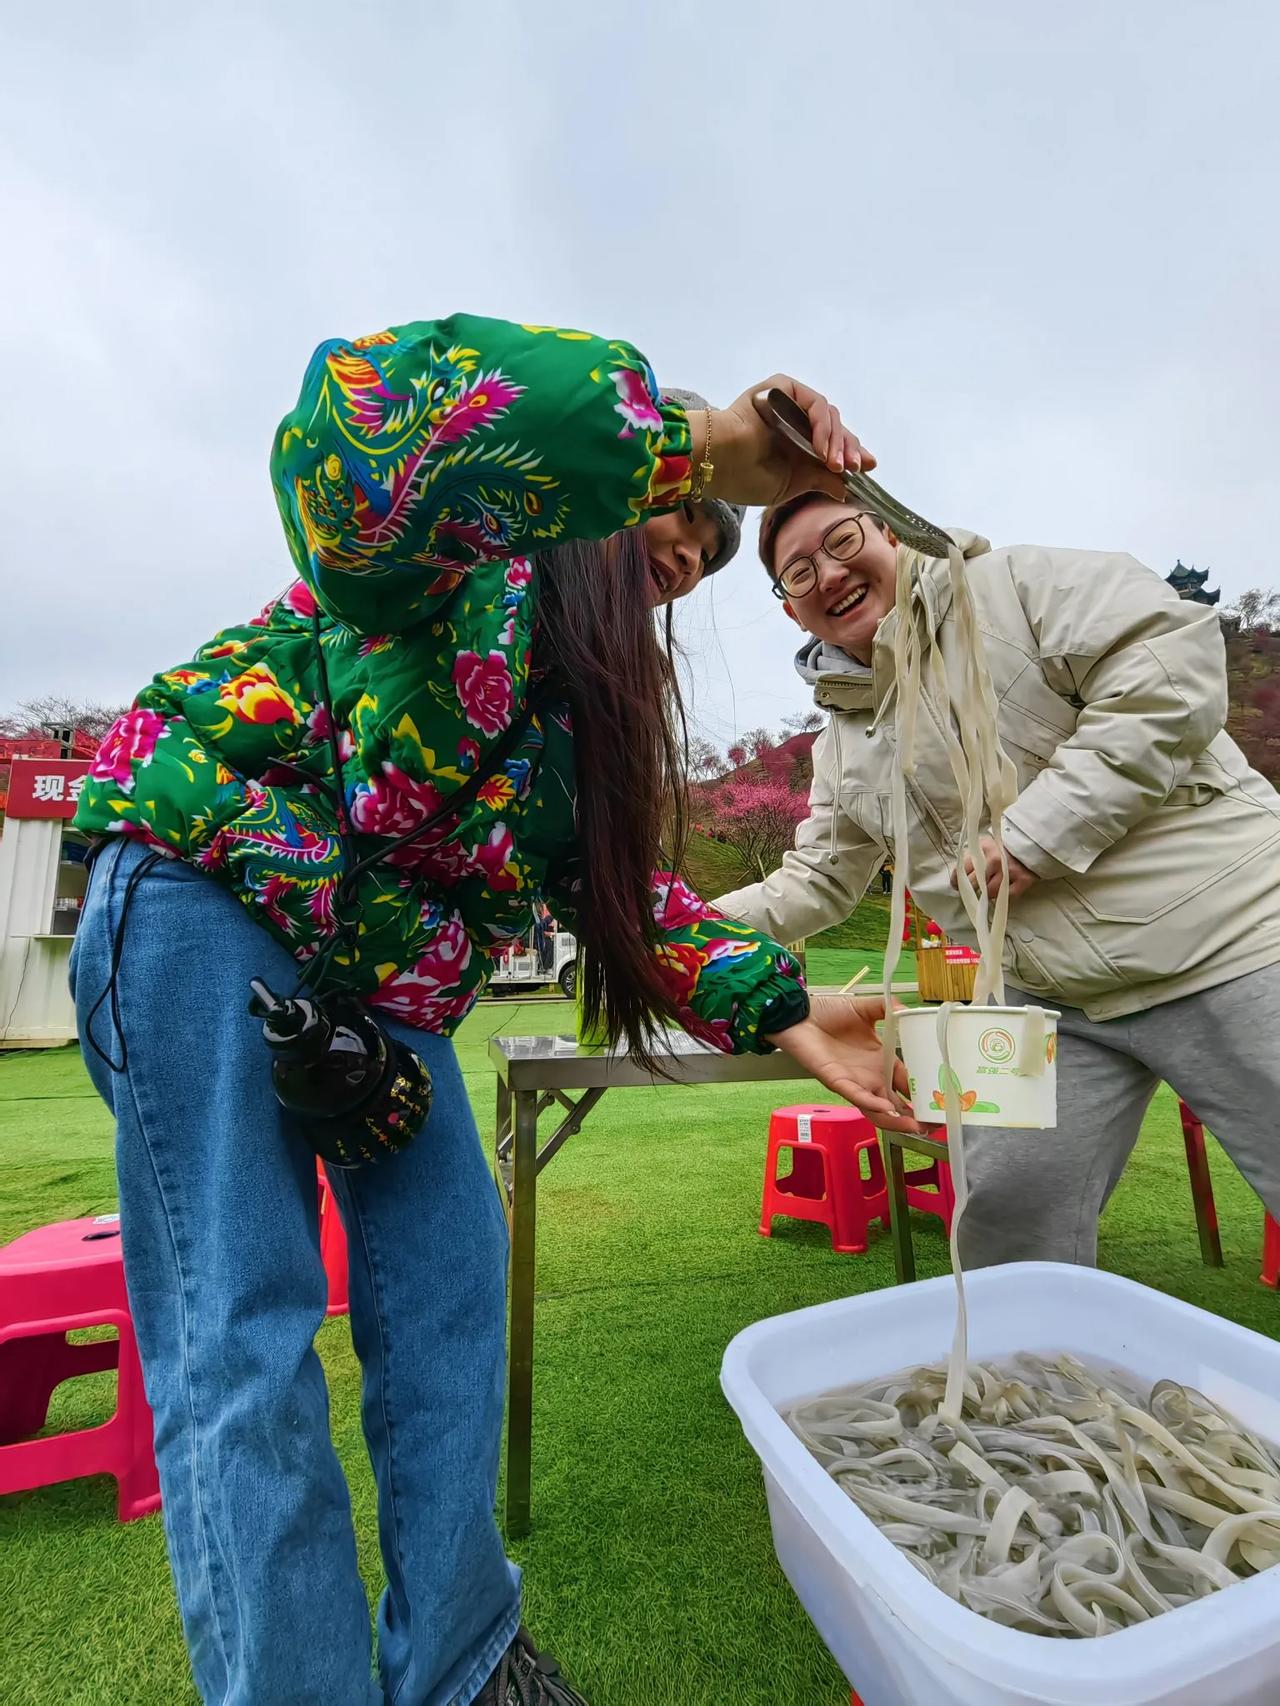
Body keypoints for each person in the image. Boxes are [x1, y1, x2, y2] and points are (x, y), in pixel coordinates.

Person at [68, 313, 915, 1706]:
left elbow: (626, 901)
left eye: (702, 557)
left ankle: (462, 1665)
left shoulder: (571, 716)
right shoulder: (443, 550)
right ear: (590, 501)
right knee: (249, 1326)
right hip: (206, 883)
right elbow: (358, 428)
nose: (684, 558)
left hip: (372, 980)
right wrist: (697, 443)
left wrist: (787, 1006)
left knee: (455, 1281)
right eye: (671, 527)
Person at [715, 491, 1280, 1271]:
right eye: (800, 574)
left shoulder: (1011, 587)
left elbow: (1169, 665)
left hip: (1233, 936)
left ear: (890, 533)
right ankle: (1021, 1387)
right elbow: (816, 879)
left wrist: (1036, 836)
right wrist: (673, 924)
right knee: (1004, 1220)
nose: (831, 573)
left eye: (843, 540)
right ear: (793, 615)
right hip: (1037, 998)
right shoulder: (841, 744)